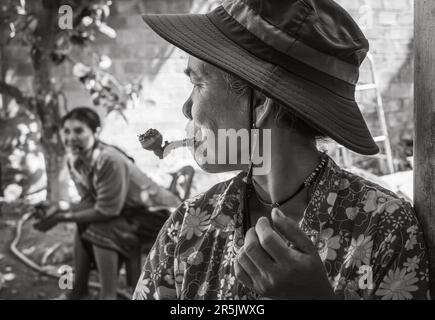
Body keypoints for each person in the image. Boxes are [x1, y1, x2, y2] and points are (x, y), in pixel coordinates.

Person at [133, 0, 431, 300]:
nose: (187, 109)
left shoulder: (384, 228)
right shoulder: (188, 226)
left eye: (198, 83)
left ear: (261, 101)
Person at [34, 107, 180, 300]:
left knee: (101, 226)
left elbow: (107, 210)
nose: (70, 137)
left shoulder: (109, 160)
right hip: (130, 213)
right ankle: (78, 292)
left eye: (78, 131)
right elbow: (89, 202)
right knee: (84, 221)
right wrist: (57, 209)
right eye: (66, 131)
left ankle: (107, 295)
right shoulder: (75, 160)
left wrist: (60, 217)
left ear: (95, 132)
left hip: (162, 217)